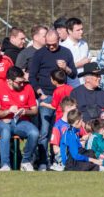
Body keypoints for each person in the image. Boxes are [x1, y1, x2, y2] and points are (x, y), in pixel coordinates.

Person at [28, 30, 77, 168]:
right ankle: (43, 161)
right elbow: (32, 76)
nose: (50, 47)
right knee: (44, 131)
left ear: (59, 39)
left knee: (61, 129)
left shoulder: (66, 52)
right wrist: (40, 94)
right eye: (48, 44)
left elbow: (73, 74)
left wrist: (66, 68)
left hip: (62, 97)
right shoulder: (39, 54)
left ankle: (59, 160)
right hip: (46, 96)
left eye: (53, 44)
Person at [0, 66, 39, 171]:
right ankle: (5, 165)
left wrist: (25, 111)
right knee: (5, 132)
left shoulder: (28, 88)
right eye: (19, 82)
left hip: (21, 121)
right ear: (9, 81)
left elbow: (35, 110)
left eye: (23, 81)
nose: (22, 84)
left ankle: (26, 161)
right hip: (4, 121)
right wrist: (8, 111)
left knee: (34, 133)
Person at [60, 17, 90, 82]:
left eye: (82, 29)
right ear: (69, 31)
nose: (81, 32)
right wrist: (80, 63)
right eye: (78, 30)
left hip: (85, 83)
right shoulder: (63, 47)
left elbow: (88, 60)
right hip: (70, 83)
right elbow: (61, 67)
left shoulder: (84, 44)